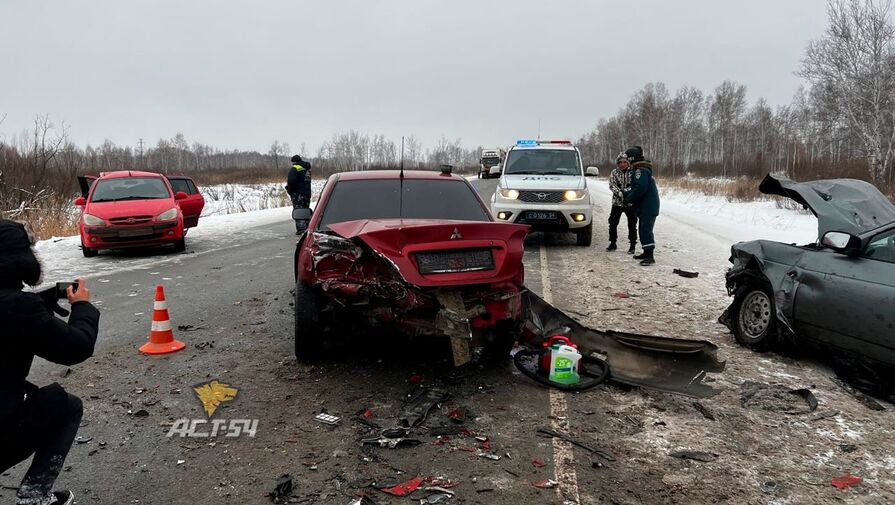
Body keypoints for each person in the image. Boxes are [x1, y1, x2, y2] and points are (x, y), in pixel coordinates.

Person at [0, 220, 99, 505]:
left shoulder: (18, 307)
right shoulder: (18, 309)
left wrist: (37, 303)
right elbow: (76, 348)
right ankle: (34, 497)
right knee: (66, 406)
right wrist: (82, 307)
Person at [623, 146, 660, 266]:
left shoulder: (641, 171)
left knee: (646, 230)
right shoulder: (641, 170)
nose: (627, 161)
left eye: (627, 159)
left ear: (631, 158)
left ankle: (650, 256)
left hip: (648, 207)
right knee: (643, 229)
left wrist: (628, 198)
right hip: (646, 206)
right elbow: (637, 188)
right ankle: (646, 252)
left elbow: (640, 189)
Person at [607, 152, 638, 253]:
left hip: (630, 203)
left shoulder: (633, 172)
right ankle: (613, 243)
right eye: (620, 162)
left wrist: (627, 193)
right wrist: (619, 193)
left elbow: (635, 185)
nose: (622, 164)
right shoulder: (614, 172)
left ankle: (632, 245)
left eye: (625, 162)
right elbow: (612, 185)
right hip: (617, 203)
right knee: (612, 223)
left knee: (632, 224)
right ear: (618, 163)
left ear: (628, 163)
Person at [286, 154, 312, 234]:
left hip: (298, 194)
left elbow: (291, 181)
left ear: (293, 162)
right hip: (307, 193)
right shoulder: (307, 169)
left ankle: (301, 230)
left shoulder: (295, 168)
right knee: (305, 211)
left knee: (299, 212)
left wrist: (290, 191)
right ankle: (307, 228)